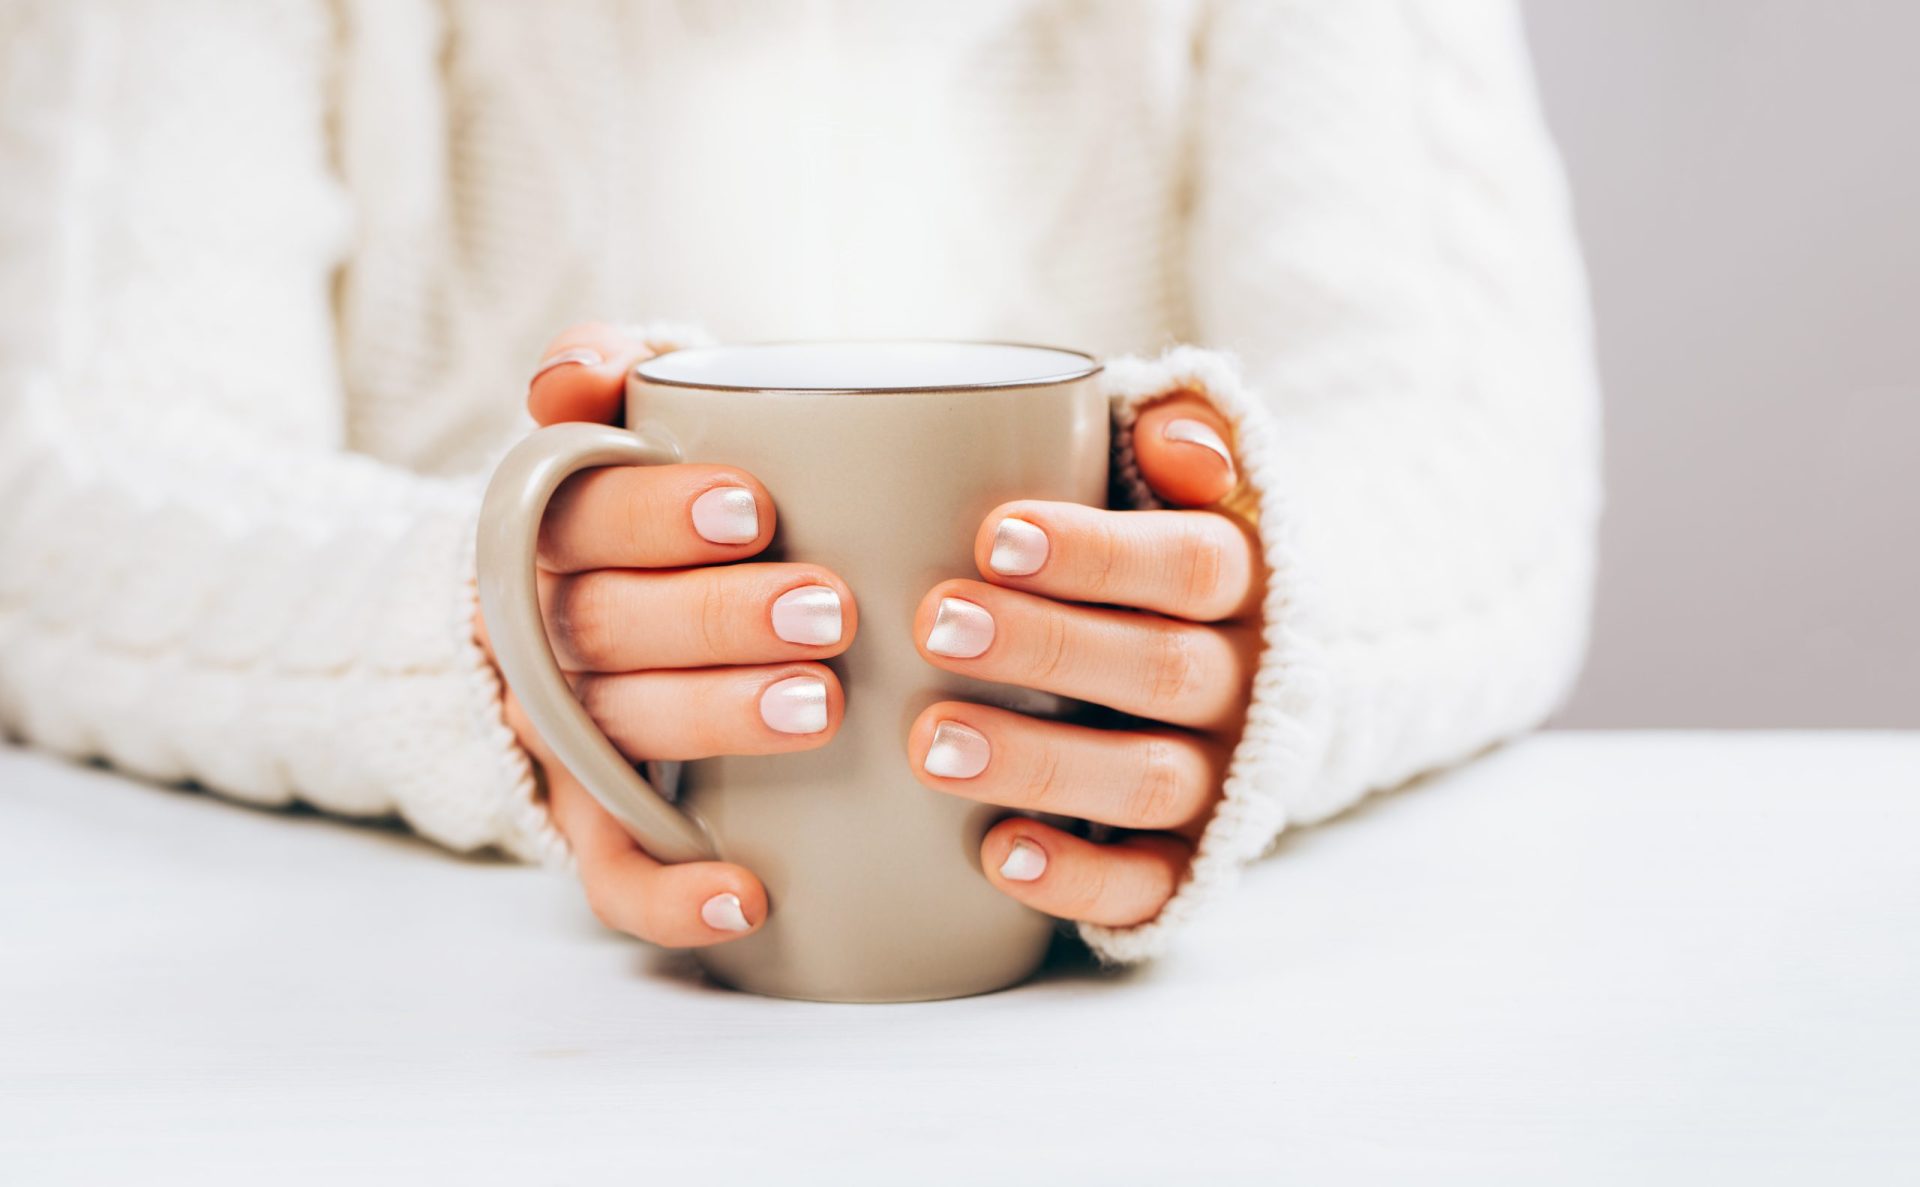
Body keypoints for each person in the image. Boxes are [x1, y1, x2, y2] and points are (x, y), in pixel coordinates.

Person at [0, 1, 1598, 966]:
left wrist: (1256, 630)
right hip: (449, 1026)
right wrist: (482, 642)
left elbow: (1473, 460)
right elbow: (71, 487)